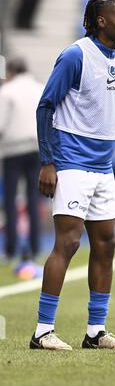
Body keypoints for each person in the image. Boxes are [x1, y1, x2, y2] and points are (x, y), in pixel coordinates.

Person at [29, 0, 115, 351]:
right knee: (68, 243)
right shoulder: (75, 56)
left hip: (102, 168)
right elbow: (46, 105)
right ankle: (42, 331)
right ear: (101, 21)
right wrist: (48, 161)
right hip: (71, 163)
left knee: (106, 245)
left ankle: (95, 331)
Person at [0, 57, 43, 264]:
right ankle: (35, 248)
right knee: (34, 200)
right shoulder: (40, 87)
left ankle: (11, 249)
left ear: (11, 72)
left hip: (13, 150)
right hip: (37, 148)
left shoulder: (7, 91)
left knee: (10, 200)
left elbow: (0, 124)